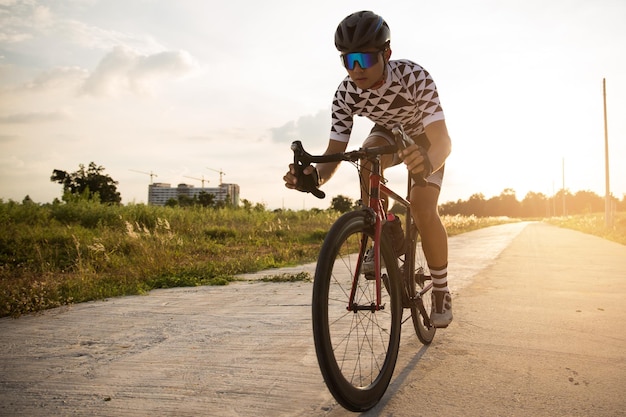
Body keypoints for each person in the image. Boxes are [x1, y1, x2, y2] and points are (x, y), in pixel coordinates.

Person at [283, 10, 453, 328]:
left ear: (386, 53)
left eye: (364, 58)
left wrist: (429, 161)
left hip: (424, 139)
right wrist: (315, 176)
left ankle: (441, 289)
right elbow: (335, 152)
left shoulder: (414, 76)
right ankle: (381, 229)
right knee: (366, 154)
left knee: (423, 208)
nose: (357, 69)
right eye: (348, 60)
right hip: (388, 132)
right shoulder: (346, 93)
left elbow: (442, 140)